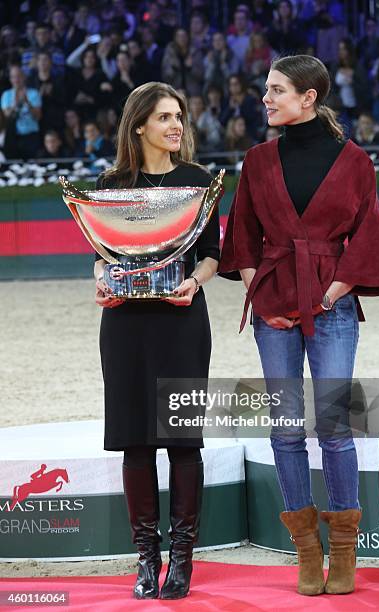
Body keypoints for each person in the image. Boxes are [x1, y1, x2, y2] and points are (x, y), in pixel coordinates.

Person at [219, 55, 379, 596]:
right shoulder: (257, 160)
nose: (265, 99)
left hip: (334, 307)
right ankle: (307, 552)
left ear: (308, 97)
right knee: (286, 430)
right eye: (266, 90)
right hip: (274, 309)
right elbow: (242, 235)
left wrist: (332, 292)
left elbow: (367, 234)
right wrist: (258, 291)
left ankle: (344, 549)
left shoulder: (355, 160)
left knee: (335, 429)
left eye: (275, 90)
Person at [94, 82, 220, 599]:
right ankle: (146, 561)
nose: (176, 126)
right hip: (124, 324)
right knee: (135, 439)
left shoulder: (197, 181)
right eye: (164, 117)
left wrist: (195, 280)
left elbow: (212, 254)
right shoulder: (111, 182)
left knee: (183, 441)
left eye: (179, 117)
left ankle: (183, 562)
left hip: (182, 320)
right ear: (139, 124)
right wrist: (101, 279)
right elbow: (101, 254)